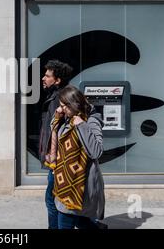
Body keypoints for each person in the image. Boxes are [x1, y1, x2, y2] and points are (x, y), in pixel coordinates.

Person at [51, 85, 105, 229]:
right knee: (80, 221)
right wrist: (57, 117)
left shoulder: (91, 120)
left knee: (66, 220)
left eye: (64, 106)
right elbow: (56, 135)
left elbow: (97, 151)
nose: (62, 109)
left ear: (73, 104)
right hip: (65, 182)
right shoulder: (68, 117)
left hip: (80, 185)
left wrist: (82, 126)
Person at [38, 60, 73, 229]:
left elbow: (60, 131)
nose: (43, 78)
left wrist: (54, 156)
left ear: (57, 80)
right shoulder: (55, 97)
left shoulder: (60, 100)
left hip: (58, 161)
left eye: (47, 76)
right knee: (58, 200)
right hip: (57, 159)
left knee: (52, 200)